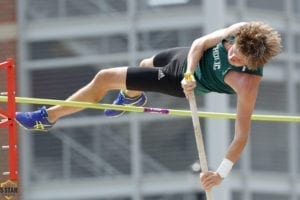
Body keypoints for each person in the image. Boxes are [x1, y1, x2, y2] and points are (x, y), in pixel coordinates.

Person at [15, 21, 282, 190]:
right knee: (144, 64)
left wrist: (221, 173)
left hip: (180, 82)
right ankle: (132, 97)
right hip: (186, 61)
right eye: (232, 49)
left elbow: (241, 135)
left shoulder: (247, 84)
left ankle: (47, 117)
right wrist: (190, 70)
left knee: (105, 78)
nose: (232, 55)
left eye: (238, 59)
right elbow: (200, 44)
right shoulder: (240, 32)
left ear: (251, 64)